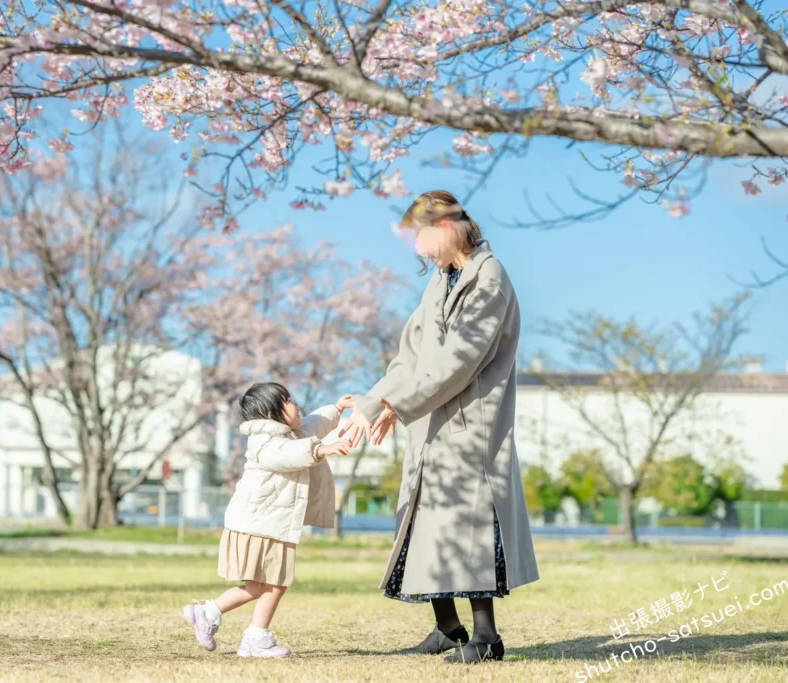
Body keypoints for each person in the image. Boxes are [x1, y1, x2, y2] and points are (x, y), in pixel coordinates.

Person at [341, 190, 539, 664]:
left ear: (447, 228)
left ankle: (487, 638)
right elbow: (409, 355)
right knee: (424, 526)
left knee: (468, 528)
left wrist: (396, 402)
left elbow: (460, 361)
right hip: (430, 418)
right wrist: (372, 403)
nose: (420, 251)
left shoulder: (488, 279)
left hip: (469, 423)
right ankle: (448, 629)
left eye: (423, 239)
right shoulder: (440, 280)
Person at [183, 382, 354, 658]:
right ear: (270, 413)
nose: (295, 404)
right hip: (260, 525)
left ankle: (209, 612)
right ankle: (254, 637)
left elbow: (315, 423)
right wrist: (322, 450)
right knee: (275, 583)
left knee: (260, 586)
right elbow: (286, 456)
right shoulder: (265, 441)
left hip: (267, 524)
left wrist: (337, 409)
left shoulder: (293, 433)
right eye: (286, 400)